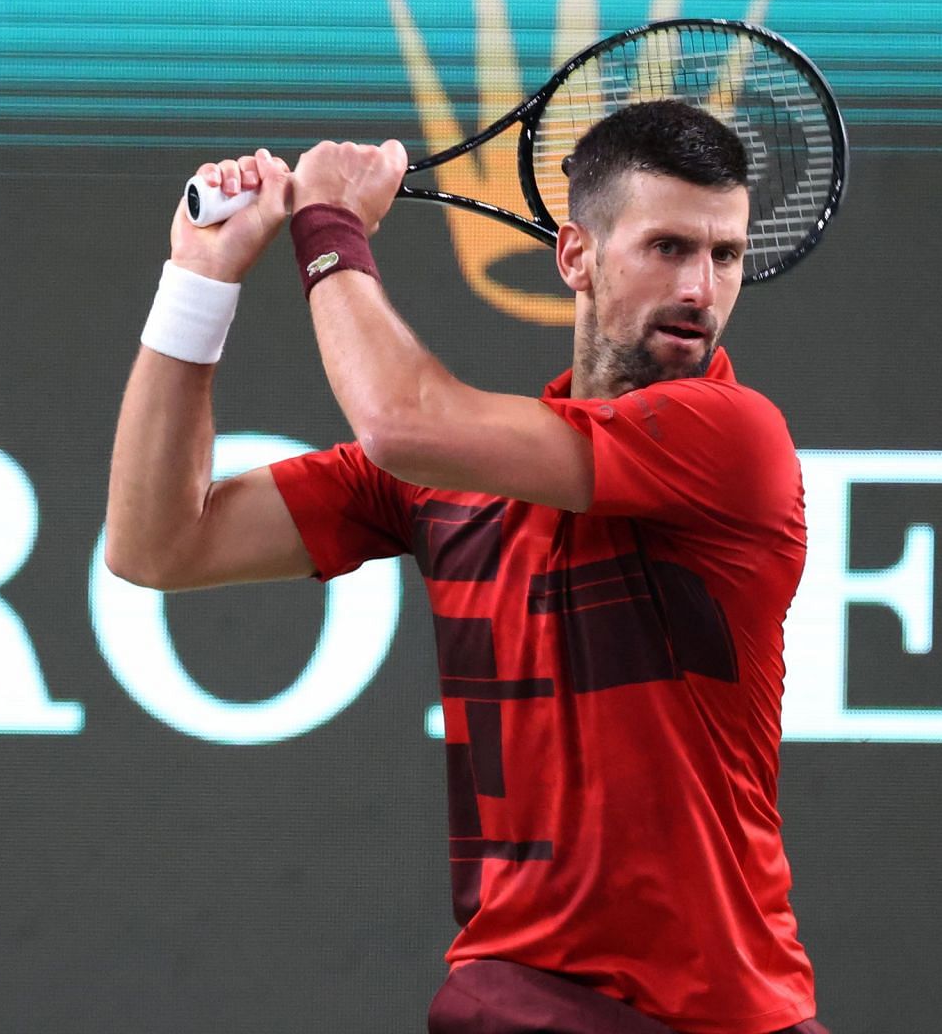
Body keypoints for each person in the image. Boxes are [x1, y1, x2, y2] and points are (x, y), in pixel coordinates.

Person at [105, 100, 828, 1034]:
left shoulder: (735, 440)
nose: (701, 287)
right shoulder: (446, 485)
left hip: (721, 1016)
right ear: (576, 257)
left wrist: (327, 228)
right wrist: (200, 279)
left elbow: (401, 420)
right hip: (517, 999)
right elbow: (157, 543)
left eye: (725, 255)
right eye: (667, 247)